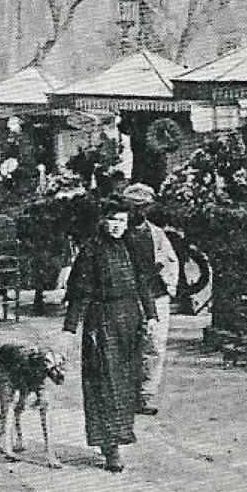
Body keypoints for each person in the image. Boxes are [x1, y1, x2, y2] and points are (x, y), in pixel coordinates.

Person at [63, 201, 157, 472]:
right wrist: (70, 328)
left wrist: (150, 315)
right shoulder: (91, 251)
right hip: (101, 321)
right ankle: (109, 447)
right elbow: (80, 293)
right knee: (105, 384)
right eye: (112, 220)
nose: (117, 226)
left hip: (129, 320)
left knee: (126, 383)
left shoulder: (132, 248)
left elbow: (143, 284)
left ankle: (121, 435)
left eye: (122, 221)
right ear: (102, 220)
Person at [121, 183, 177, 415]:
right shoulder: (119, 233)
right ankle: (124, 394)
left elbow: (171, 261)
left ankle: (146, 394)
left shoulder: (156, 234)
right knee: (126, 345)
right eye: (134, 207)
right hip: (127, 297)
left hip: (155, 296)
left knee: (154, 346)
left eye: (143, 207)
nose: (138, 212)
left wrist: (162, 273)